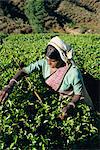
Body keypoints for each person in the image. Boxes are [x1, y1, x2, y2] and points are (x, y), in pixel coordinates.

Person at [0, 36, 93, 119]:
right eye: (47, 59)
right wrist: (9, 86)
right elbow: (23, 71)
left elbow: (77, 94)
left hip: (73, 101)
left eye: (52, 61)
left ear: (62, 58)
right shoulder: (44, 63)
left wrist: (70, 105)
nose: (49, 63)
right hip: (57, 97)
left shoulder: (73, 72)